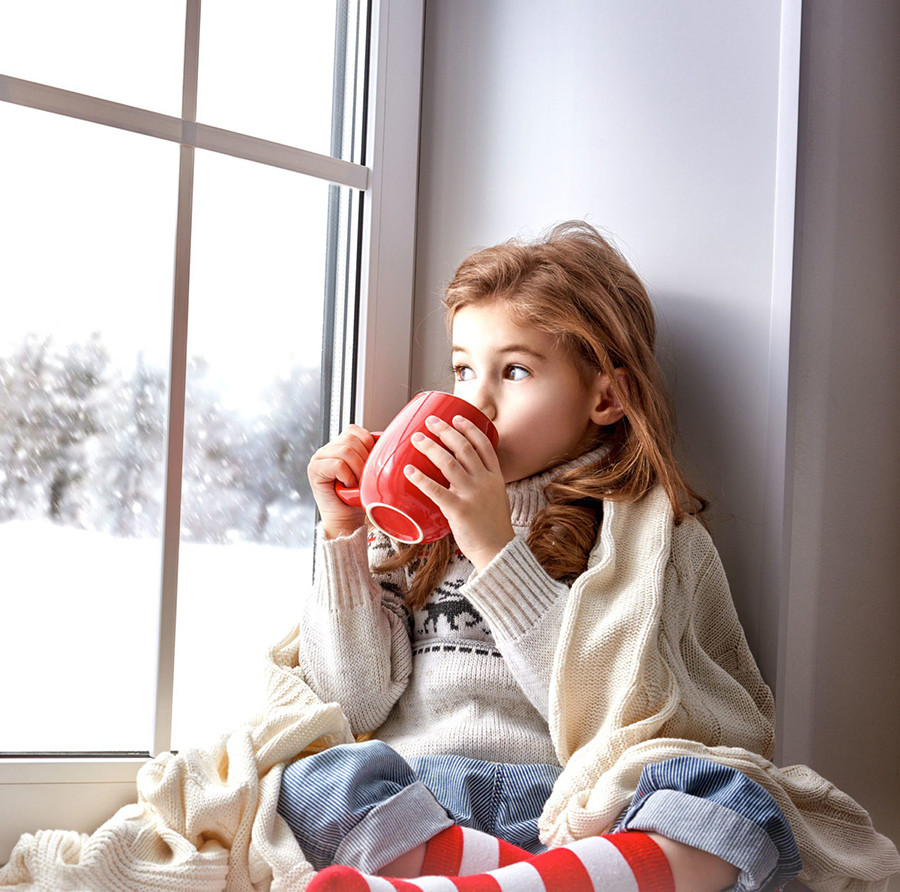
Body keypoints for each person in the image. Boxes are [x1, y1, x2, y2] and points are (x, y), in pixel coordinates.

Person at [275, 222, 883, 892]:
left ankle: (497, 881)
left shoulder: (645, 537)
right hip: (424, 798)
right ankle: (527, 882)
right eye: (463, 368)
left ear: (604, 397)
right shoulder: (415, 524)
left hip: (577, 806)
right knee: (314, 783)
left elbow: (618, 713)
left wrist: (494, 548)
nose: (475, 400)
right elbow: (348, 704)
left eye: (514, 372)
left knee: (732, 800)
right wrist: (342, 537)